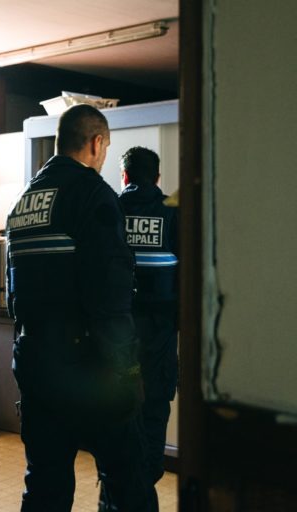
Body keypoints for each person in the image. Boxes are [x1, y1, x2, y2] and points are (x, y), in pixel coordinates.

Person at [6, 104, 155, 512]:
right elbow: (110, 297)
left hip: (35, 364)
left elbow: (11, 298)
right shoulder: (92, 194)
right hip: (91, 368)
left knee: (45, 485)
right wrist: (128, 370)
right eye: (104, 148)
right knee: (128, 481)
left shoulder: (24, 201)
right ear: (95, 143)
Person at [118, 146, 179, 501]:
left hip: (117, 341)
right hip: (159, 343)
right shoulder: (172, 212)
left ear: (124, 175)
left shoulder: (110, 207)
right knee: (155, 417)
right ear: (157, 178)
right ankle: (143, 488)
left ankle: (126, 493)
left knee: (119, 425)